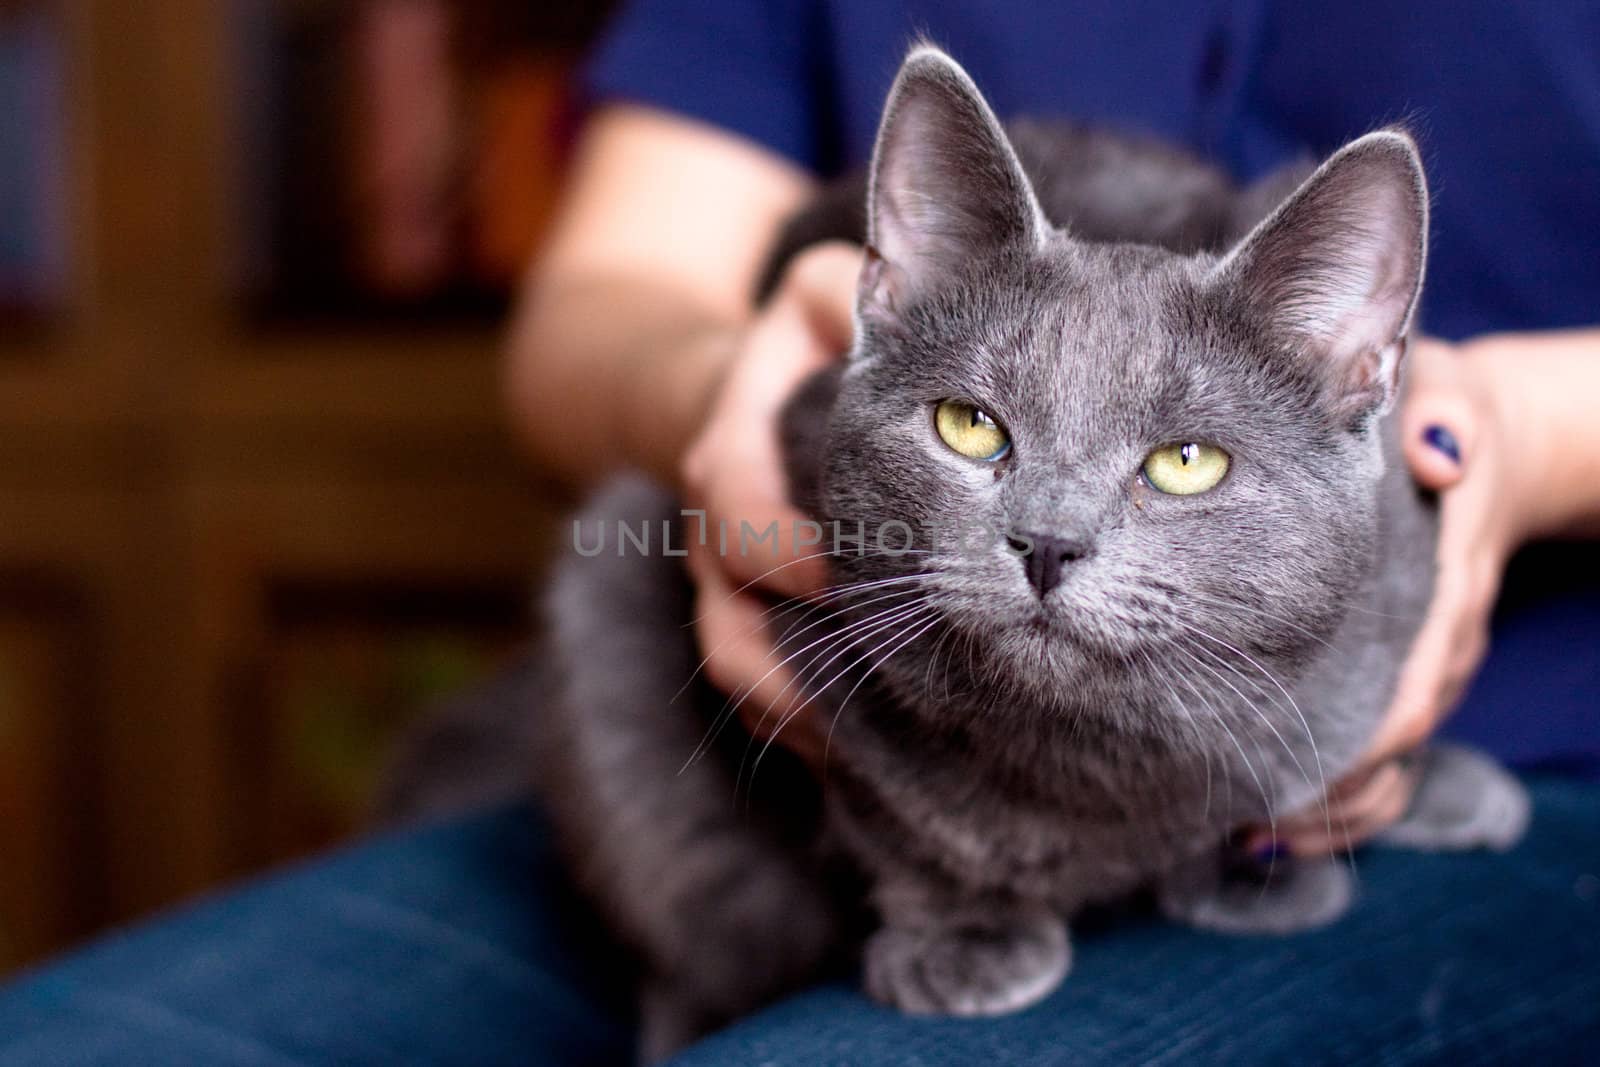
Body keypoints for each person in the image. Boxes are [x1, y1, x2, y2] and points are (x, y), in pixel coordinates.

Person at [2, 3, 1597, 1064]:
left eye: (1173, 464)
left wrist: (1522, 438)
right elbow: (604, 308)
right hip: (772, 783)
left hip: (1514, 747)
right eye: (982, 436)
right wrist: (718, 392)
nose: (1048, 534)